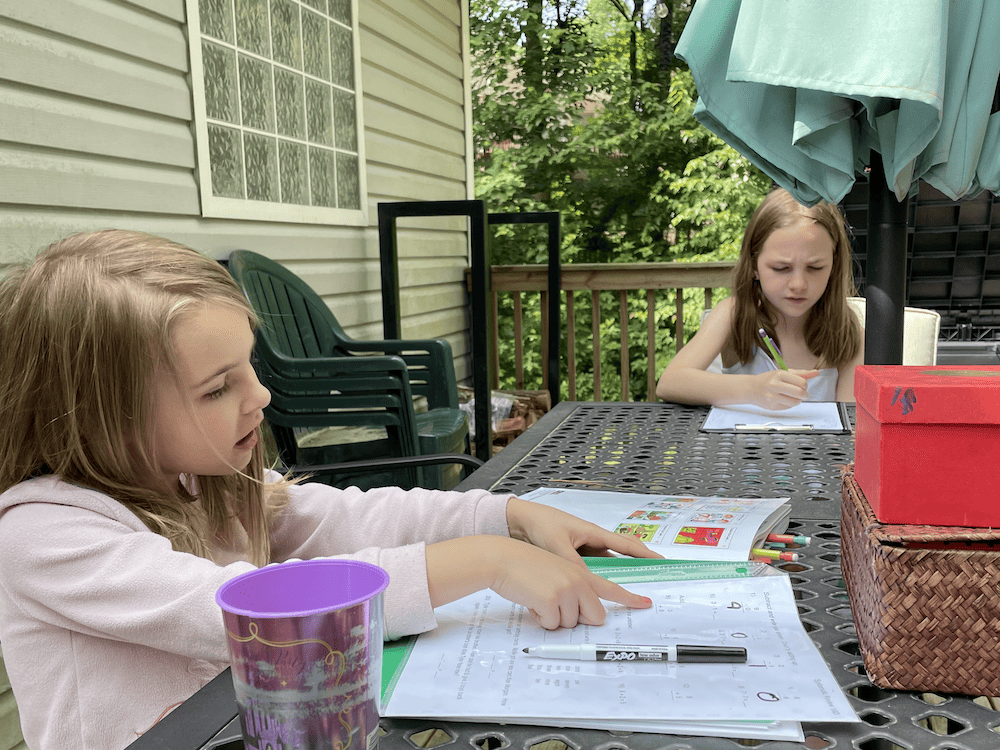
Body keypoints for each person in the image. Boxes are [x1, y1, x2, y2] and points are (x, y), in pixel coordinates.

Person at [0, 230, 659, 750]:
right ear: (99, 414)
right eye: (217, 388)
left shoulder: (205, 479)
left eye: (249, 368)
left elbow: (351, 518)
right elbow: (244, 614)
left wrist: (506, 515)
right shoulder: (41, 535)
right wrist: (485, 562)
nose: (259, 396)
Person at [656, 188, 864, 408]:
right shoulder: (734, 314)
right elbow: (670, 382)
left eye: (815, 267)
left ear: (834, 265)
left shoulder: (848, 332)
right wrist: (753, 389)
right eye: (781, 268)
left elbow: (850, 421)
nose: (798, 284)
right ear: (754, 265)